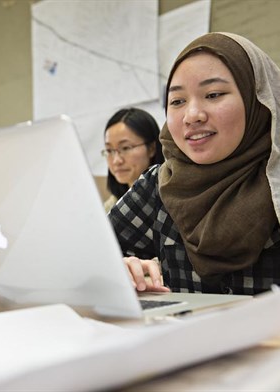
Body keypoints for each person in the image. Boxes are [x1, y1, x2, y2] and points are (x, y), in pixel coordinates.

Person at [108, 32, 280, 296]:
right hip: (186, 338)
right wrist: (116, 267)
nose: (192, 115)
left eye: (213, 94)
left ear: (257, 100)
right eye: (177, 101)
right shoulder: (160, 185)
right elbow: (83, 257)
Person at [101, 107, 164, 212]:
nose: (116, 160)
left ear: (152, 148)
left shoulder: (171, 198)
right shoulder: (109, 208)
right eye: (109, 150)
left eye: (125, 148)